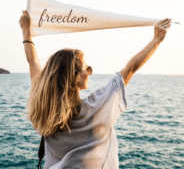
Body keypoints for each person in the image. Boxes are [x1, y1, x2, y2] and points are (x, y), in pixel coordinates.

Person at [19, 10, 171, 169]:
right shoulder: (97, 107)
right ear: (77, 77)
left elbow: (33, 64)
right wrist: (157, 39)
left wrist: (26, 31)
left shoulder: (43, 112)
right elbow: (131, 68)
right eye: (87, 68)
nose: (90, 72)